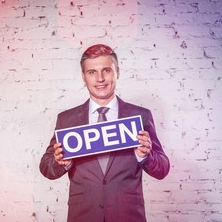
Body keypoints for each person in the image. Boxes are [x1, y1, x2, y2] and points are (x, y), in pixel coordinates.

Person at [39, 44, 170, 222]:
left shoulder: (140, 116)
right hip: (83, 216)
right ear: (83, 76)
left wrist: (145, 156)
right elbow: (46, 168)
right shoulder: (67, 120)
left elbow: (162, 169)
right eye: (92, 72)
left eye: (106, 70)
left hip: (128, 216)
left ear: (118, 72)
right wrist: (60, 161)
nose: (100, 78)